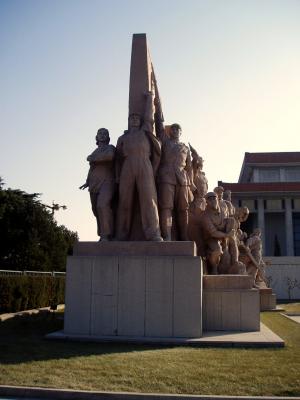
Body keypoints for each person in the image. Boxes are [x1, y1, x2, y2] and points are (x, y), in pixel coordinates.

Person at [115, 91, 162, 241]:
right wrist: (117, 175)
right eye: (132, 118)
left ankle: (153, 233)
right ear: (128, 121)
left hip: (144, 164)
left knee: (149, 200)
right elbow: (117, 159)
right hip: (127, 166)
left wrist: (150, 98)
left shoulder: (145, 131)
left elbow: (149, 116)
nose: (134, 120)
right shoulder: (122, 138)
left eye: (136, 118)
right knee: (124, 201)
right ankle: (121, 234)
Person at [79, 128, 115, 241]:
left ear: (108, 138)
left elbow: (110, 156)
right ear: (96, 137)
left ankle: (106, 234)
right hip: (94, 184)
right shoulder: (95, 151)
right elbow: (91, 168)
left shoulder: (110, 148)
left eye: (105, 134)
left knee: (102, 205)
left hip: (107, 182)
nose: (102, 135)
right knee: (96, 210)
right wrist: (87, 181)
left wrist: (92, 158)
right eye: (100, 133)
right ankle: (101, 233)